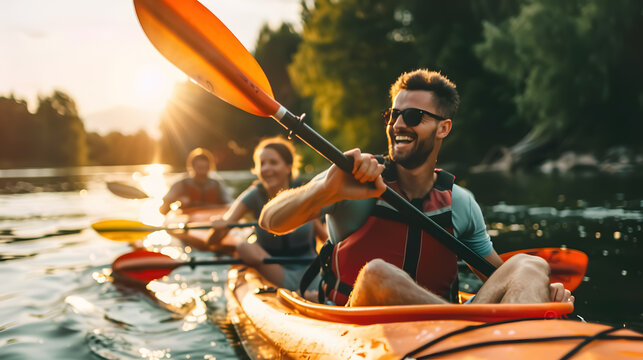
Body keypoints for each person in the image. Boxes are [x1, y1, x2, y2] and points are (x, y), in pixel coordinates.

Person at [259, 69, 574, 306]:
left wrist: (543, 290)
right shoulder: (352, 180)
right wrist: (324, 190)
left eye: (412, 116)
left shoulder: (460, 203)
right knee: (378, 275)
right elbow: (270, 220)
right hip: (355, 325)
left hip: (444, 332)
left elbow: (499, 279)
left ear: (443, 128)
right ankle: (461, 326)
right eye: (393, 115)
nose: (397, 124)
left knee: (530, 266)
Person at [207, 137, 327, 290]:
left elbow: (323, 237)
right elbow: (213, 241)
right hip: (272, 270)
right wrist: (219, 227)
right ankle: (297, 291)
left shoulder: (304, 193)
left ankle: (306, 291)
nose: (266, 169)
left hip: (310, 268)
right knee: (244, 246)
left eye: (273, 162)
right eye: (262, 164)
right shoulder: (253, 196)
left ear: (288, 167)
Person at [159, 147, 232, 215]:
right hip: (188, 219)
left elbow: (230, 205)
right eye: (200, 168)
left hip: (212, 217)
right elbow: (163, 209)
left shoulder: (217, 184)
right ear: (192, 167)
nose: (202, 172)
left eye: (204, 168)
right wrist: (177, 200)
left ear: (210, 167)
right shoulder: (181, 184)